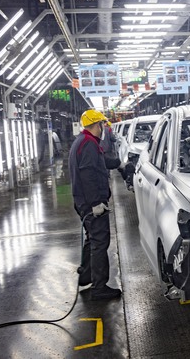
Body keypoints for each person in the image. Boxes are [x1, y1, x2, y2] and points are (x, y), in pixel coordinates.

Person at [68, 109, 124, 300]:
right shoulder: (88, 145)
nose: (103, 128)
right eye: (102, 124)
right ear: (96, 125)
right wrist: (96, 204)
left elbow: (101, 162)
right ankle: (99, 287)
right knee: (100, 242)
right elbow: (88, 176)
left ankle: (86, 276)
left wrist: (119, 163)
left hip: (84, 202)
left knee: (93, 239)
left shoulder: (86, 142)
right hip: (91, 204)